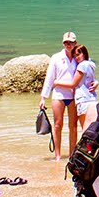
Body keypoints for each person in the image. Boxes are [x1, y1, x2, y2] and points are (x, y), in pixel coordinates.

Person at [40, 31, 79, 160]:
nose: (68, 45)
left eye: (71, 42)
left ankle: (72, 154)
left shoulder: (79, 57)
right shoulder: (56, 57)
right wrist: (43, 98)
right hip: (59, 95)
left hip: (74, 96)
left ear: (75, 43)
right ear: (63, 43)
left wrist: (95, 83)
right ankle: (57, 155)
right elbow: (49, 78)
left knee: (73, 126)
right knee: (58, 125)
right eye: (66, 42)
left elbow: (88, 71)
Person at [55, 44, 99, 128]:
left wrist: (57, 83)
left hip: (83, 100)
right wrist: (97, 82)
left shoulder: (82, 65)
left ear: (84, 54)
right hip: (92, 99)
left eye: (78, 54)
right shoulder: (91, 64)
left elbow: (73, 84)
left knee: (85, 129)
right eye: (74, 56)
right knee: (92, 129)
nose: (76, 58)